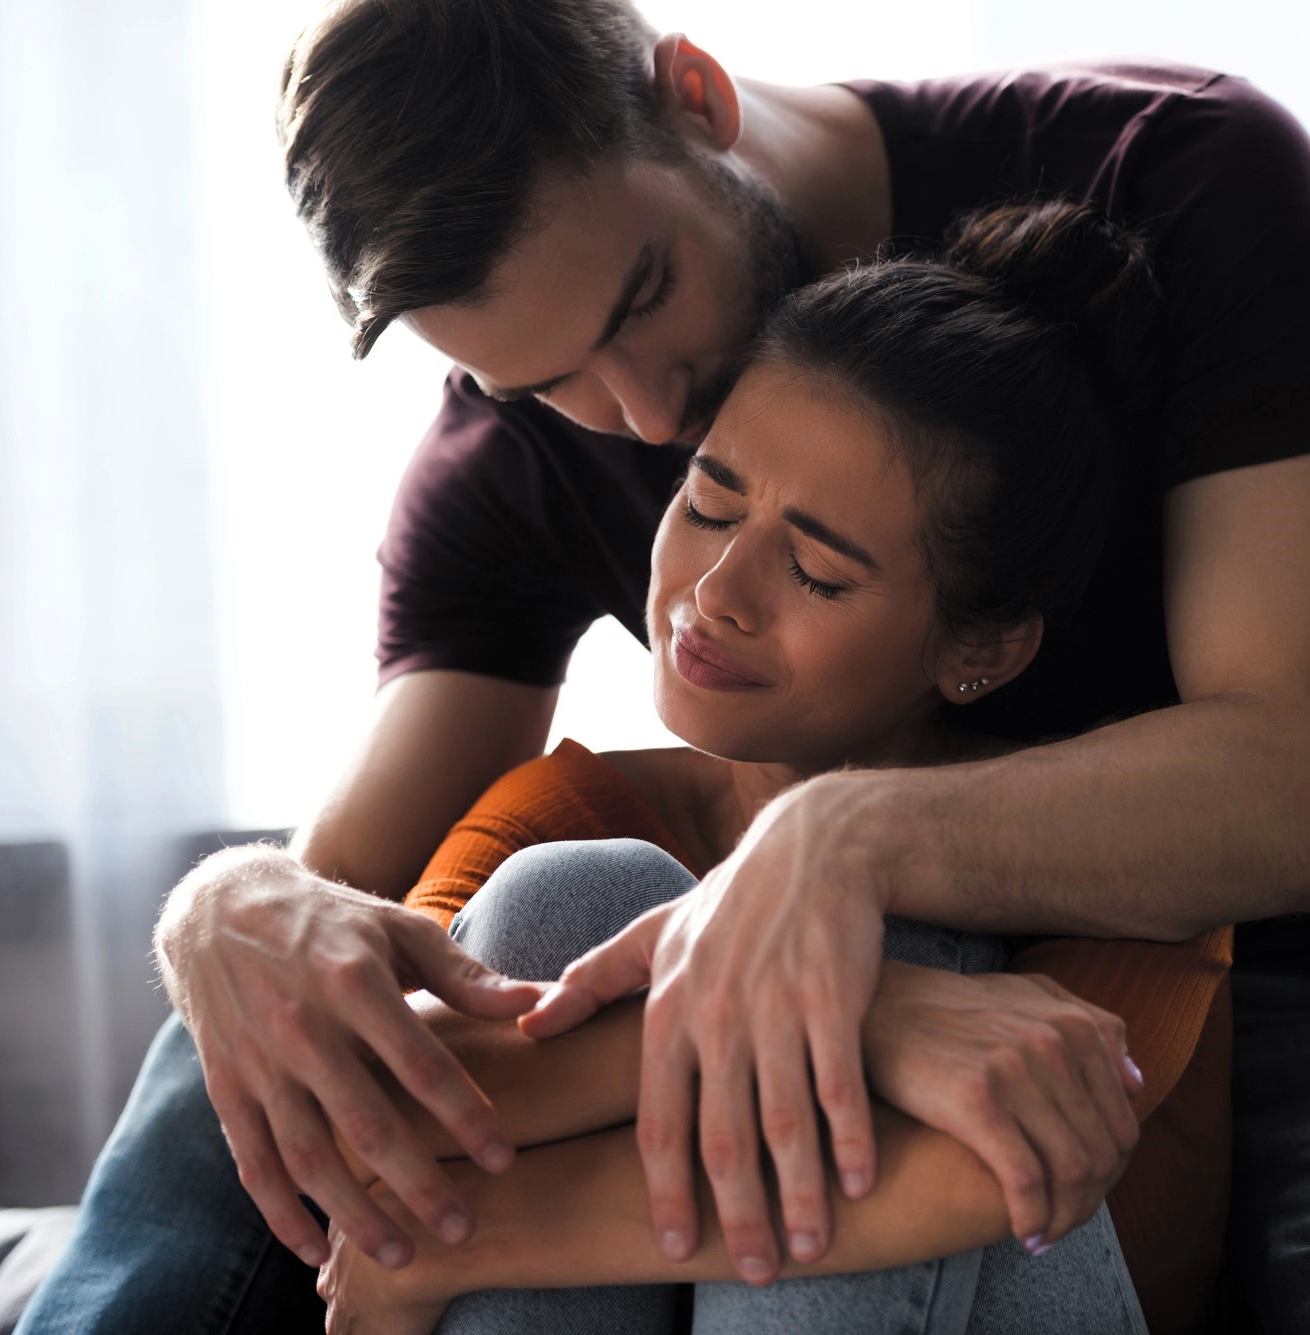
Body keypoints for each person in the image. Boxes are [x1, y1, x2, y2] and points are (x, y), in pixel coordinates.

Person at [23, 1, 1310, 1331]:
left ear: (693, 94)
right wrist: (222, 909)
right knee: (326, 985)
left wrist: (830, 843)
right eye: (540, 379)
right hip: (924, 1000)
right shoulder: (521, 440)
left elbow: (1304, 787)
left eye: (642, 299)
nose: (645, 416)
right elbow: (354, 907)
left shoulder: (1173, 179)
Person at [309, 197, 1184, 1334]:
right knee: (581, 889)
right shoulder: (566, 814)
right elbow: (377, 1118)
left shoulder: (1104, 853)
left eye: (817, 575)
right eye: (708, 504)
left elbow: (1009, 1157)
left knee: (891, 924)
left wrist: (488, 1237)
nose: (714, 596)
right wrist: (868, 1021)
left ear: (979, 646)